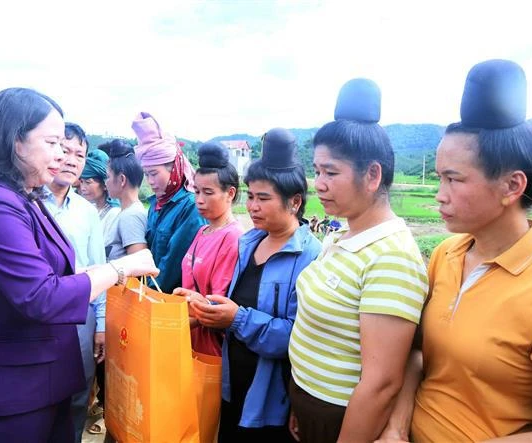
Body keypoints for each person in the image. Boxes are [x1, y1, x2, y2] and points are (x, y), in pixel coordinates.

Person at [0, 87, 158, 443]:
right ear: (15, 141)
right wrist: (121, 268)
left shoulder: (25, 199)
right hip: (8, 395)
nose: (61, 154)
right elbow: (41, 295)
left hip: (44, 382)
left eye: (65, 145)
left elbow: (63, 275)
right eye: (52, 142)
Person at [377, 60, 532, 442]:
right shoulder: (445, 254)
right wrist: (395, 430)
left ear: (512, 186)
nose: (439, 194)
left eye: (453, 179)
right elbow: (417, 356)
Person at [287, 78, 429, 443]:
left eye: (331, 172)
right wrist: (300, 401)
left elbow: (382, 383)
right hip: (309, 403)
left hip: (344, 419)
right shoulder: (338, 235)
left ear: (372, 175)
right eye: (316, 171)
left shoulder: (392, 257)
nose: (318, 183)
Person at [190, 128, 321, 442]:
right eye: (250, 196)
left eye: (263, 198)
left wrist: (237, 319)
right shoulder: (248, 244)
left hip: (271, 400)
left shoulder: (310, 257)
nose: (252, 206)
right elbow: (232, 309)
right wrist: (202, 305)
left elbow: (298, 336)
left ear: (294, 202)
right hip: (232, 383)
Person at [42, 122, 107, 442]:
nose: (70, 160)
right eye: (64, 150)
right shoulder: (25, 202)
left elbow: (98, 267)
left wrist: (102, 323)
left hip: (81, 314)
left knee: (78, 392)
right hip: (38, 311)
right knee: (38, 394)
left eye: (78, 154)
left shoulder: (86, 211)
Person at [87, 139, 148, 436]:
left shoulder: (130, 216)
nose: (106, 182)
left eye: (108, 176)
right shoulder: (128, 212)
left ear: (121, 180)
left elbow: (137, 265)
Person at [173, 141, 244, 356]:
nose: (200, 200)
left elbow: (217, 301)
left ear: (230, 193)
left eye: (208, 193)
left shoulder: (233, 237)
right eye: (197, 192)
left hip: (210, 343)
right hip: (189, 336)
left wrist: (170, 325)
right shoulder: (202, 231)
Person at [132, 112, 206, 291]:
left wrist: (146, 291)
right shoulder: (155, 205)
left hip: (169, 300)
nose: (149, 181)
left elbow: (172, 264)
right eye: (147, 174)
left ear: (174, 169)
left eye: (154, 173)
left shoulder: (190, 206)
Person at [79, 149, 121, 238]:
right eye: (82, 182)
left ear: (105, 184)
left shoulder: (114, 214)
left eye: (88, 182)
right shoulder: (88, 209)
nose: (83, 188)